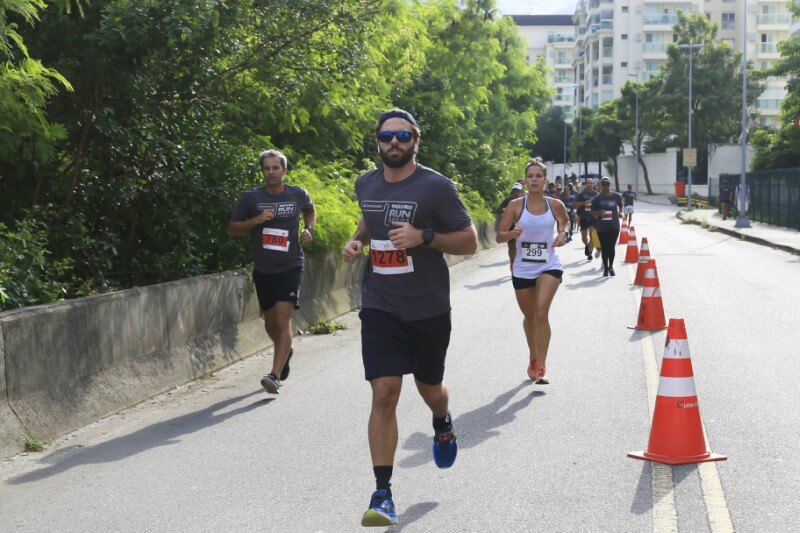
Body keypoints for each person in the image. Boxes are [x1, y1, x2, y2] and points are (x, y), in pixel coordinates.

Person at [342, 109, 478, 527]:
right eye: (387, 136)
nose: (394, 142)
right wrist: (356, 239)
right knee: (384, 392)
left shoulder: (436, 187)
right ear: (378, 142)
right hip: (381, 302)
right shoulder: (366, 182)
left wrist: (425, 237)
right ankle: (382, 493)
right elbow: (370, 216)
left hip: (428, 309)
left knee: (431, 388)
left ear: (416, 140)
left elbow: (470, 242)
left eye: (403, 135)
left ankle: (442, 420)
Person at [228, 149, 316, 394]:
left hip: (291, 265)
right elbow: (233, 229)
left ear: (284, 170)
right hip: (263, 268)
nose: (271, 172)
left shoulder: (297, 194)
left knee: (282, 319)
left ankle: (274, 375)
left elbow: (310, 210)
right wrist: (255, 220)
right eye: (266, 168)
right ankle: (284, 349)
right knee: (269, 323)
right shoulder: (251, 198)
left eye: (275, 167)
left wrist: (309, 228)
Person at [496, 158, 569, 384]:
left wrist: (563, 234)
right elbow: (499, 235)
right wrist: (511, 234)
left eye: (538, 176)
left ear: (545, 180)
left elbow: (565, 223)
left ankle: (542, 367)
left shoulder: (555, 204)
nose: (534, 179)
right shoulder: (515, 206)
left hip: (549, 265)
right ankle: (533, 356)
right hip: (522, 268)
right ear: (526, 181)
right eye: (530, 176)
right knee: (529, 317)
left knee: (540, 313)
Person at [590, 177, 624, 276]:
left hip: (614, 225)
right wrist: (598, 212)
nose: (606, 187)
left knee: (611, 246)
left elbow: (620, 205)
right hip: (602, 226)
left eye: (607, 184)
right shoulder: (597, 198)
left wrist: (619, 212)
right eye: (604, 185)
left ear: (609, 185)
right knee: (605, 248)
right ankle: (605, 268)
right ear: (601, 186)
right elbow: (592, 212)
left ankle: (611, 267)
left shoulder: (616, 196)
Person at [497, 181, 525, 271]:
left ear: (521, 191)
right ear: (512, 192)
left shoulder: (525, 200)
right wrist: (506, 214)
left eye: (518, 191)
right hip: (510, 226)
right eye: (515, 191)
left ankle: (520, 262)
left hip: (522, 226)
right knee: (511, 246)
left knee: (520, 245)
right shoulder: (508, 200)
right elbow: (499, 209)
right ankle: (512, 262)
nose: (516, 193)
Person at [574, 177, 599, 260]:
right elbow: (574, 204)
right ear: (585, 185)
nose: (589, 184)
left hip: (593, 218)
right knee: (584, 238)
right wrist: (583, 203)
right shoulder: (581, 194)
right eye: (587, 183)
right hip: (584, 217)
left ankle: (590, 253)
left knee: (592, 235)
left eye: (591, 183)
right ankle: (587, 245)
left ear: (593, 184)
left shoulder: (596, 194)